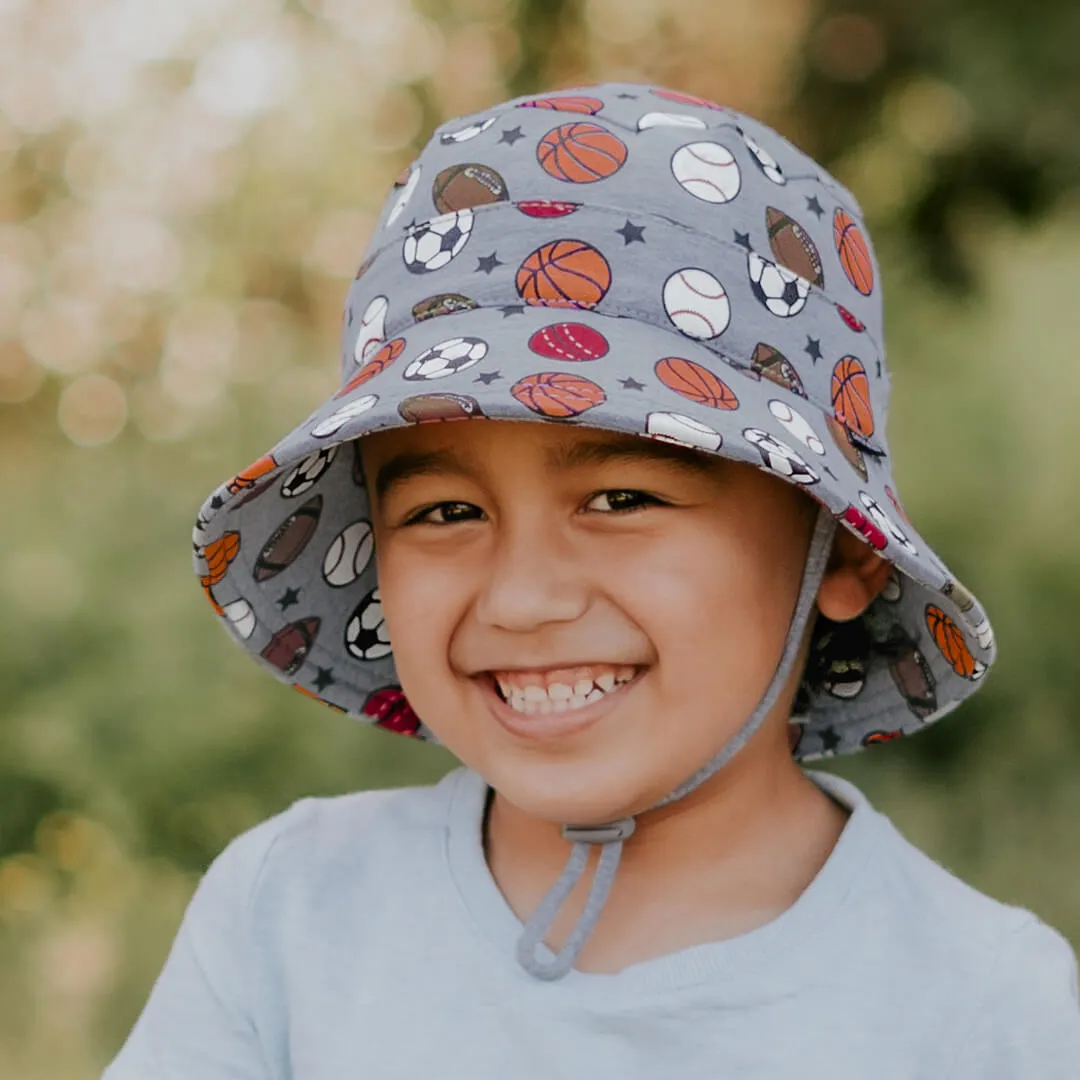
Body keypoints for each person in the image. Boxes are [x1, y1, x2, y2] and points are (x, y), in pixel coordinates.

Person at [102, 82, 1080, 1077]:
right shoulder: (290, 917)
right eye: (446, 513)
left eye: (621, 499)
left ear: (847, 548)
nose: (523, 599)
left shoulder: (986, 1012)